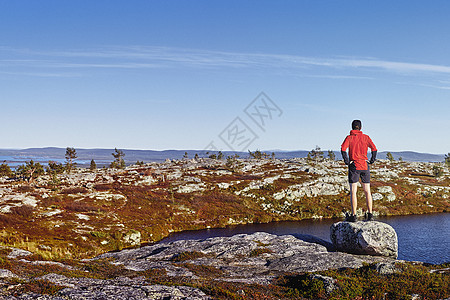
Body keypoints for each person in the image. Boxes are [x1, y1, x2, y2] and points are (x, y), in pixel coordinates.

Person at [341, 120, 377, 221]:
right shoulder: (366, 137)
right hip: (365, 166)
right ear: (360, 128)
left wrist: (347, 161)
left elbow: (343, 149)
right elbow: (374, 149)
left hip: (354, 166)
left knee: (353, 191)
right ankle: (370, 214)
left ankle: (354, 216)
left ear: (352, 127)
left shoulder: (349, 137)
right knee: (367, 191)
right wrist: (371, 160)